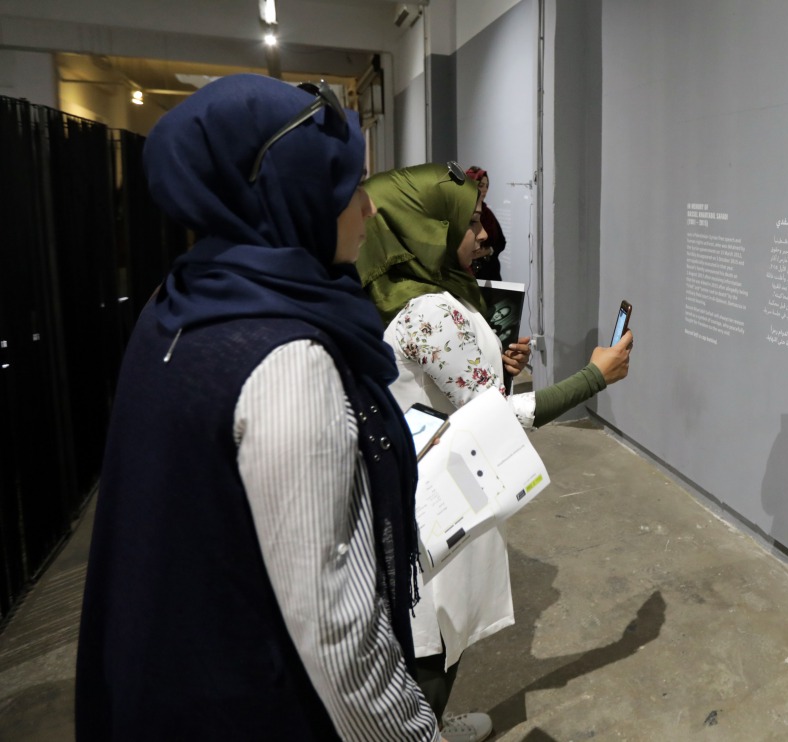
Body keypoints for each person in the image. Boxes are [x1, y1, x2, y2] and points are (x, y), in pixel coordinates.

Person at [75, 74, 441, 741]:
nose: (369, 209)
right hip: (260, 704)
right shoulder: (288, 358)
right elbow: (336, 631)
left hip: (170, 684)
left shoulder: (181, 299)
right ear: (290, 194)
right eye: (347, 187)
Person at [355, 162, 633, 742]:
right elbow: (496, 420)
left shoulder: (403, 293)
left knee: (424, 645)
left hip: (410, 486)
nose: (483, 235)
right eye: (469, 222)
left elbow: (444, 391)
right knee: (430, 647)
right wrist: (593, 378)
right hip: (437, 499)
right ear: (426, 227)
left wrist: (496, 367)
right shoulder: (432, 310)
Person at [463, 166, 505, 280]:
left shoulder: (487, 213)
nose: (485, 190)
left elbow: (501, 242)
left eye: (487, 186)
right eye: (481, 185)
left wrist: (488, 250)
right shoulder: (459, 212)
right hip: (467, 275)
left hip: (490, 274)